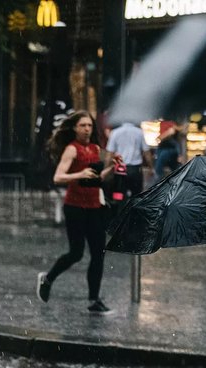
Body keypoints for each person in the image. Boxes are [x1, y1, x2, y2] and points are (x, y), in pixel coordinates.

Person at [36, 110, 121, 313]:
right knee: (76, 253)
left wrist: (112, 168)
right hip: (74, 207)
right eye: (83, 125)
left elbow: (97, 179)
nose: (87, 129)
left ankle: (94, 300)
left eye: (90, 125)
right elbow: (58, 177)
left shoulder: (95, 148)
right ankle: (47, 279)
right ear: (75, 128)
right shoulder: (72, 150)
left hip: (94, 207)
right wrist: (79, 173)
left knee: (98, 254)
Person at [105, 121, 152, 198]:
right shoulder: (139, 132)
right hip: (135, 170)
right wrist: (151, 167)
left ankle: (119, 207)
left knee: (119, 195)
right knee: (136, 196)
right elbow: (147, 152)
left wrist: (106, 169)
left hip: (119, 170)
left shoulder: (115, 132)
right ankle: (133, 209)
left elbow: (109, 154)